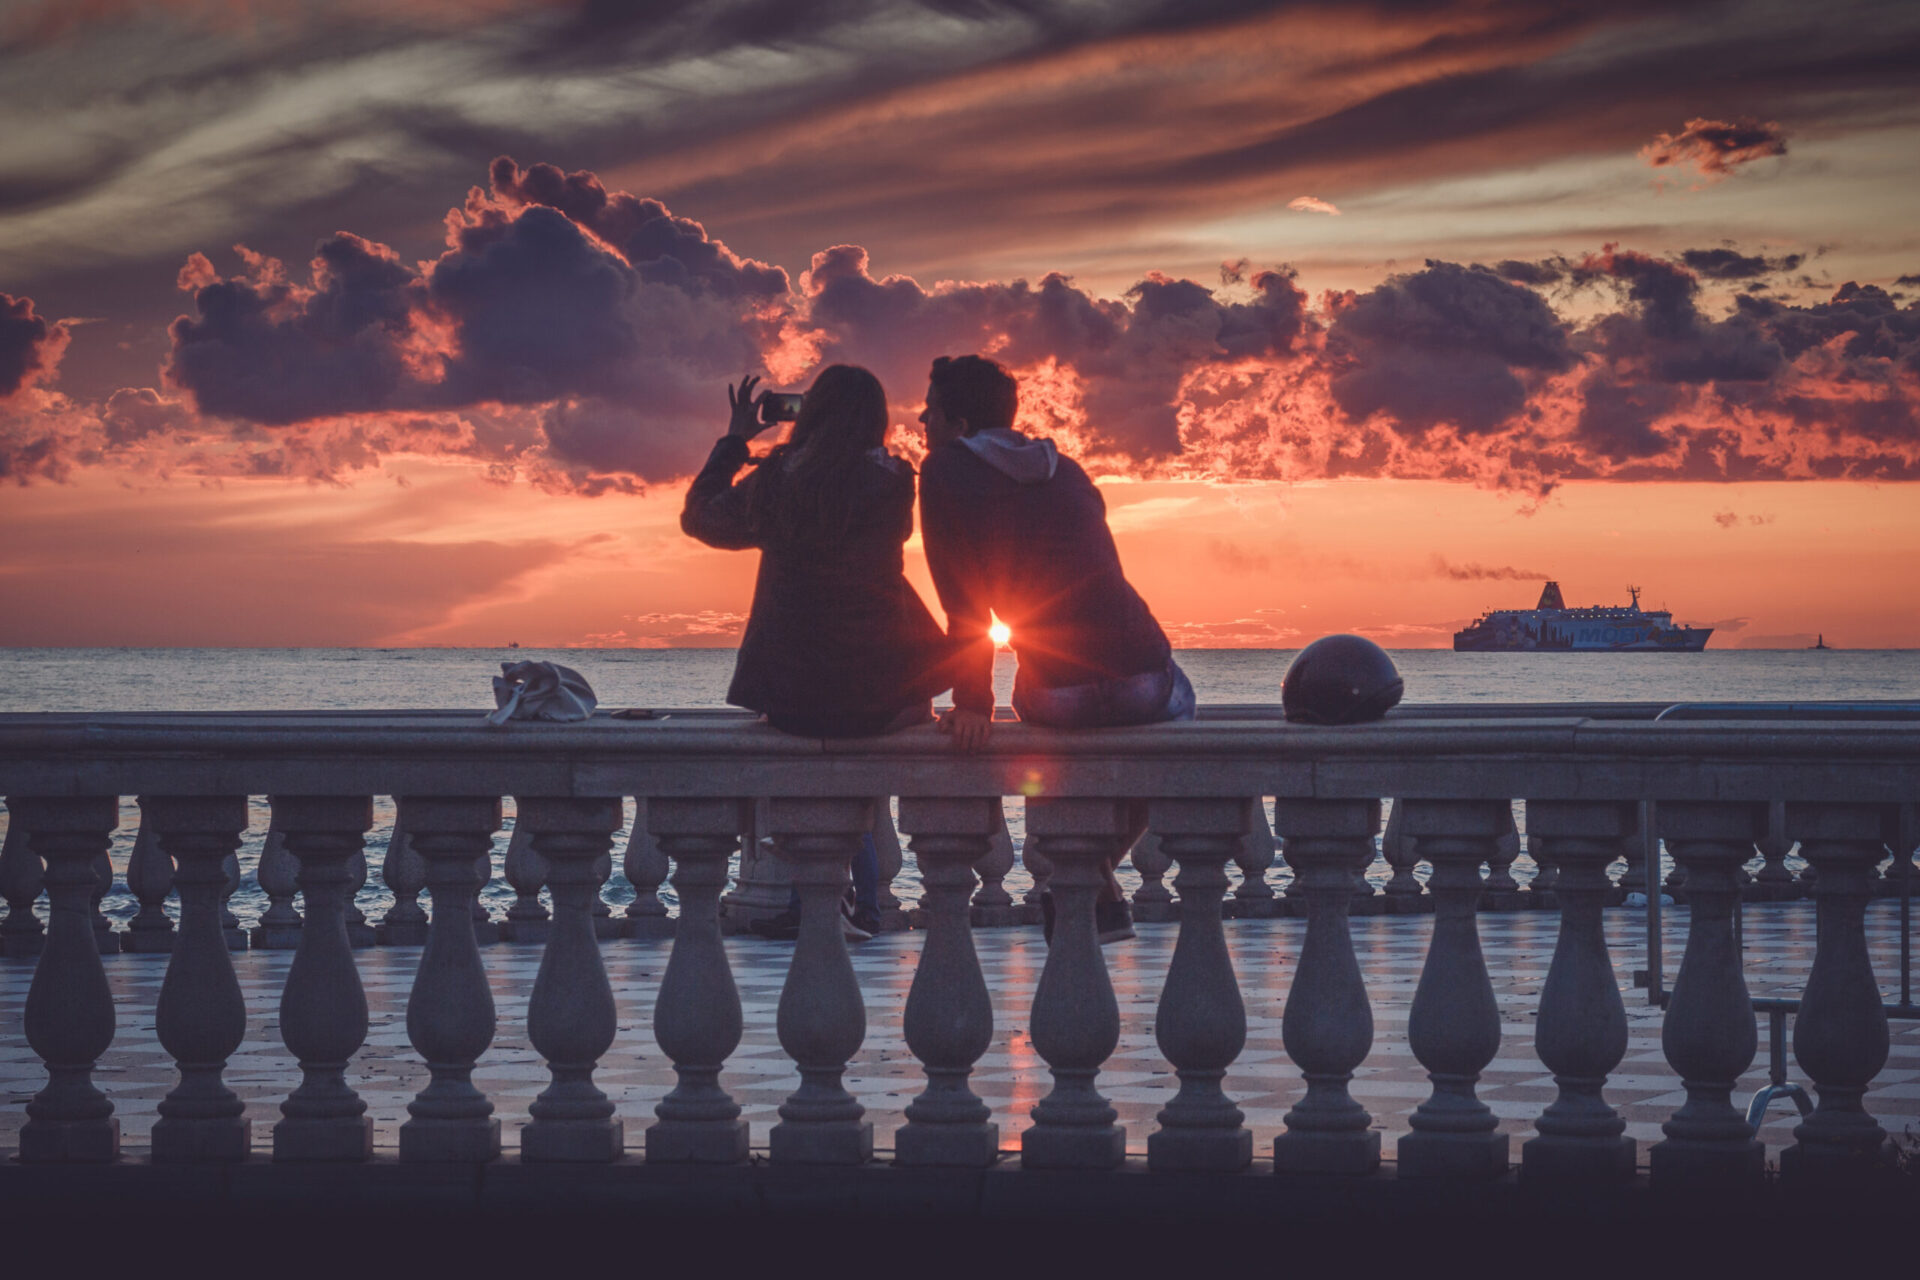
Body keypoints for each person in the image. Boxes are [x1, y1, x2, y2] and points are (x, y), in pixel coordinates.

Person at [917, 354, 1194, 944]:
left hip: (1057, 692)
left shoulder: (942, 471)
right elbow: (1106, 572)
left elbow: (961, 598)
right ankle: (1098, 873)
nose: (920, 419)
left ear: (957, 423)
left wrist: (973, 703)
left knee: (1050, 715)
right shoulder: (1064, 469)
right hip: (1144, 675)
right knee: (1177, 713)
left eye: (930, 409)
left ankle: (1087, 875)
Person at [682, 365, 951, 938]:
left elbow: (702, 518)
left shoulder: (779, 482)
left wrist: (736, 443)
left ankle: (826, 905)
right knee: (854, 786)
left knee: (813, 788)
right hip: (881, 691)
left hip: (793, 692)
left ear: (810, 416)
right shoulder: (896, 481)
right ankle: (846, 906)